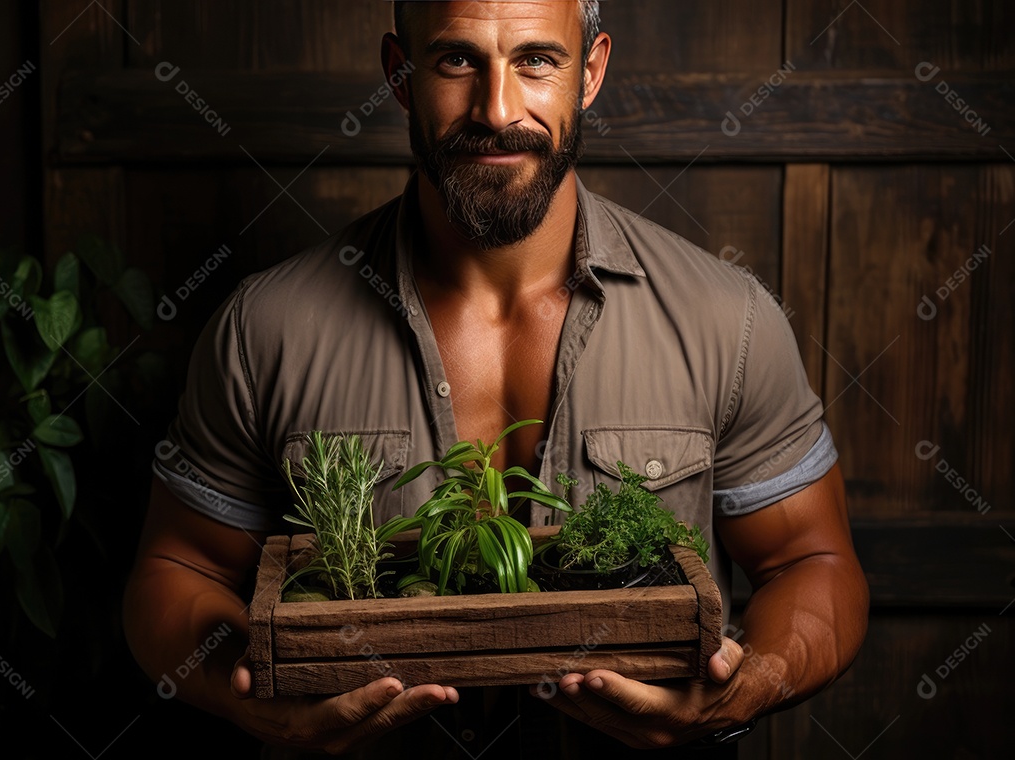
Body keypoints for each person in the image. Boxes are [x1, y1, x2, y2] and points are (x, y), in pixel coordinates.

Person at [123, 1, 870, 758]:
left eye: (537, 60)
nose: (497, 109)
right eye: (456, 61)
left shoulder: (728, 320)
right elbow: (177, 569)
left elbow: (813, 562)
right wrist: (245, 700)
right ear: (401, 74)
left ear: (592, 71)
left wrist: (743, 690)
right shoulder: (266, 327)